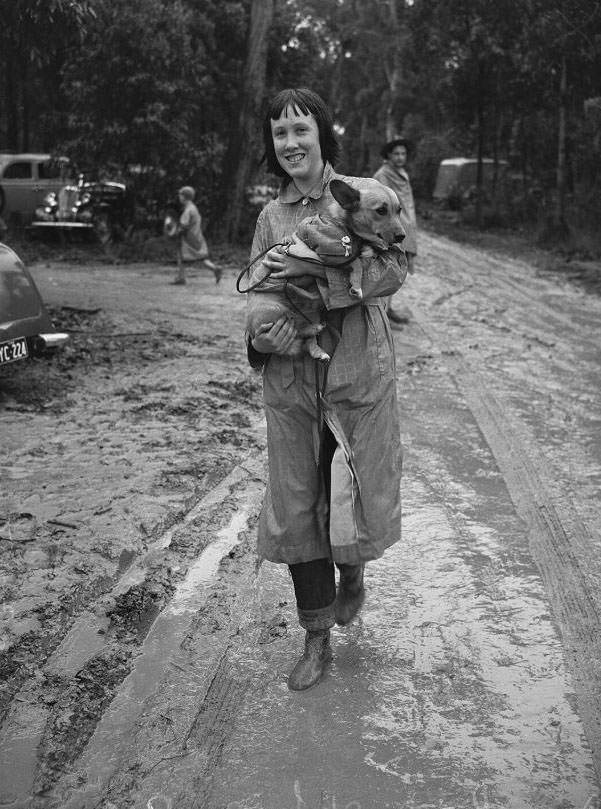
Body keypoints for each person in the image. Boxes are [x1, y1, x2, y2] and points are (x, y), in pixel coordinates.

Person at [245, 88, 408, 691]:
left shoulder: (365, 195)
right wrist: (263, 337)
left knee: (351, 496)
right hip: (293, 380)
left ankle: (355, 571)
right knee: (298, 503)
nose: (290, 143)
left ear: (321, 136)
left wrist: (331, 280)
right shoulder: (271, 216)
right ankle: (315, 639)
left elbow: (393, 267)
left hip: (356, 377)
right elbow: (260, 287)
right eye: (279, 133)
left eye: (301, 131)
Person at [373, 137, 417, 325]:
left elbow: (408, 204)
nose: (400, 157)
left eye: (403, 153)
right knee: (387, 270)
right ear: (388, 156)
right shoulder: (382, 176)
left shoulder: (402, 174)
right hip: (391, 229)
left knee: (398, 270)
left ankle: (388, 309)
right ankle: (381, 316)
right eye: (396, 154)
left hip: (407, 226)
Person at [171, 186, 221, 285]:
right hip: (196, 237)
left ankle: (181, 278)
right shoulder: (193, 208)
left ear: (184, 197)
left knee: (181, 256)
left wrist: (174, 232)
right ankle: (215, 269)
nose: (179, 197)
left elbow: (184, 225)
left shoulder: (188, 210)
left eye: (180, 195)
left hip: (189, 238)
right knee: (201, 258)